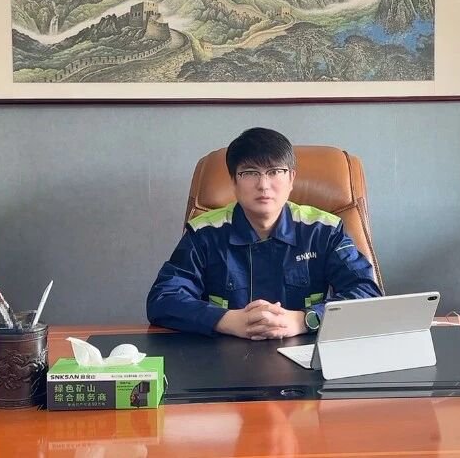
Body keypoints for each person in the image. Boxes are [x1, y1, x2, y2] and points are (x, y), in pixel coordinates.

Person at [146, 127, 381, 339]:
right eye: (250, 173)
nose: (264, 185)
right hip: (225, 357)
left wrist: (305, 319)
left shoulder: (323, 230)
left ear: (291, 178)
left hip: (304, 354)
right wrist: (226, 320)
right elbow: (163, 299)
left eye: (275, 171)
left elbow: (367, 294)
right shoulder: (206, 233)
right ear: (233, 181)